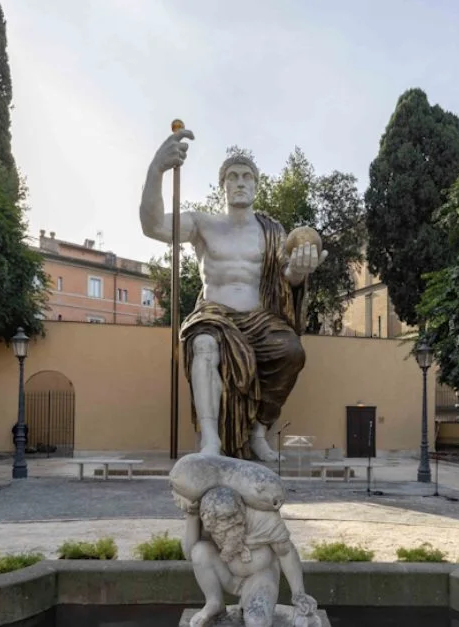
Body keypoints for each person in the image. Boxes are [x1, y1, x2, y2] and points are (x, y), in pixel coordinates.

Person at [140, 130, 326, 461]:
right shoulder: (203, 224)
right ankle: (209, 440)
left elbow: (286, 280)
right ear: (223, 185)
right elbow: (152, 225)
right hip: (214, 314)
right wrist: (157, 169)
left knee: (292, 352)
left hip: (259, 319)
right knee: (203, 345)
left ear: (256, 185)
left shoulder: (273, 231)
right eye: (232, 177)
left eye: (246, 177)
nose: (239, 182)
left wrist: (300, 270)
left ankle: (258, 434)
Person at [177, 486, 317, 627]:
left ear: (237, 521)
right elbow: (190, 553)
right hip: (227, 574)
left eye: (224, 533)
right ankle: (214, 602)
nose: (219, 539)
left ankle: (254, 601)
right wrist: (192, 515)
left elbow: (286, 553)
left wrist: (298, 594)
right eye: (215, 534)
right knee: (200, 550)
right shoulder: (211, 518)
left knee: (257, 623)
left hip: (260, 577)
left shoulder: (264, 520)